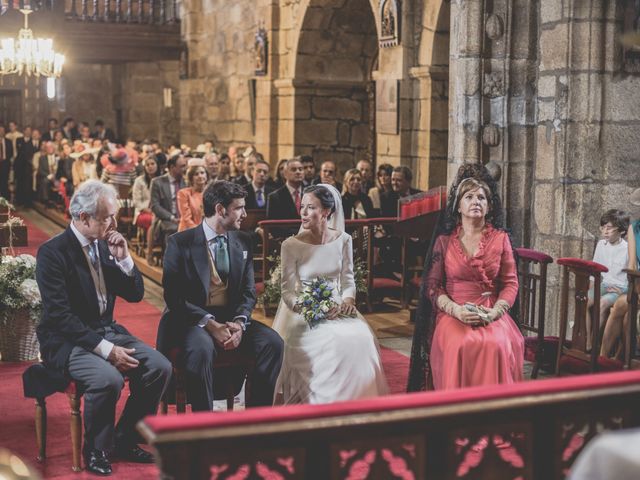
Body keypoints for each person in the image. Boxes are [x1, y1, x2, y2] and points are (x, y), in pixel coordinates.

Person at [35, 181, 171, 475]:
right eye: (107, 216)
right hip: (65, 340)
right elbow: (60, 317)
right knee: (108, 379)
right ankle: (96, 450)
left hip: (106, 329)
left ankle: (124, 439)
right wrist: (108, 351)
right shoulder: (53, 252)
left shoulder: (105, 243)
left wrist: (124, 259)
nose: (113, 223)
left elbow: (135, 295)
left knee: (160, 367)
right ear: (84, 217)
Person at [158, 181, 283, 411]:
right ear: (219, 209)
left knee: (273, 343)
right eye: (239, 208)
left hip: (230, 318)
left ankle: (258, 420)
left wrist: (239, 322)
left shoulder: (243, 240)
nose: (245, 214)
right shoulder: (180, 243)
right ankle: (205, 428)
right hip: (191, 320)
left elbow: (248, 292)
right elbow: (174, 297)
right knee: (202, 349)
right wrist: (210, 324)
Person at [407, 164, 523, 391]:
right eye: (469, 197)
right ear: (458, 205)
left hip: (491, 310)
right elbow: (432, 286)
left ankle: (493, 418)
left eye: (481, 197)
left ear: (489, 206)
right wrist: (455, 310)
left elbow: (510, 283)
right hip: (453, 311)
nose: (476, 201)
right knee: (460, 345)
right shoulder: (444, 241)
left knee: (497, 345)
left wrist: (496, 312)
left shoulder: (501, 239)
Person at [272, 184, 388, 404]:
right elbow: (287, 291)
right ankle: (325, 404)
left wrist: (348, 300)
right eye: (302, 207)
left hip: (337, 305)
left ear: (326, 212)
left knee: (361, 337)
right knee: (332, 342)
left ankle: (356, 404)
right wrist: (309, 308)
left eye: (311, 207)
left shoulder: (343, 239)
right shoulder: (291, 245)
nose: (303, 213)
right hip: (303, 309)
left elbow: (347, 279)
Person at [601, 189, 640, 359]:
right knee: (619, 306)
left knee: (626, 318)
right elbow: (632, 264)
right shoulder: (634, 228)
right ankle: (602, 359)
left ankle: (620, 359)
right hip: (637, 284)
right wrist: (634, 287)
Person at [587, 209, 630, 350]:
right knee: (585, 300)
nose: (605, 231)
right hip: (604, 284)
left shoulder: (627, 248)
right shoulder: (601, 245)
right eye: (603, 227)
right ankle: (587, 341)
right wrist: (591, 288)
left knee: (602, 303)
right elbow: (594, 270)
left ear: (621, 231)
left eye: (609, 228)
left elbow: (632, 273)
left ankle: (594, 344)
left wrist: (623, 291)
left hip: (619, 288)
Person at [150, 155, 187, 248]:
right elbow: (155, 206)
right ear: (172, 167)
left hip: (184, 217)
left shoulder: (186, 182)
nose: (185, 169)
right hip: (166, 218)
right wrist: (171, 218)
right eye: (182, 166)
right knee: (173, 230)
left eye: (185, 166)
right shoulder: (157, 182)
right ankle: (170, 260)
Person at [177, 160, 208, 231]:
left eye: (202, 173)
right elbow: (186, 218)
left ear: (206, 175)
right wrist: (199, 231)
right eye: (196, 174)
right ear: (191, 178)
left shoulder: (211, 192)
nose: (200, 176)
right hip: (188, 231)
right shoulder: (183, 193)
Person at [132, 156, 159, 232]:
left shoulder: (161, 179)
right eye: (147, 165)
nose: (150, 166)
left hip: (159, 211)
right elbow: (136, 201)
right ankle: (151, 243)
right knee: (152, 220)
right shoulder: (139, 180)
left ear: (157, 165)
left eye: (152, 164)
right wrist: (147, 210)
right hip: (143, 211)